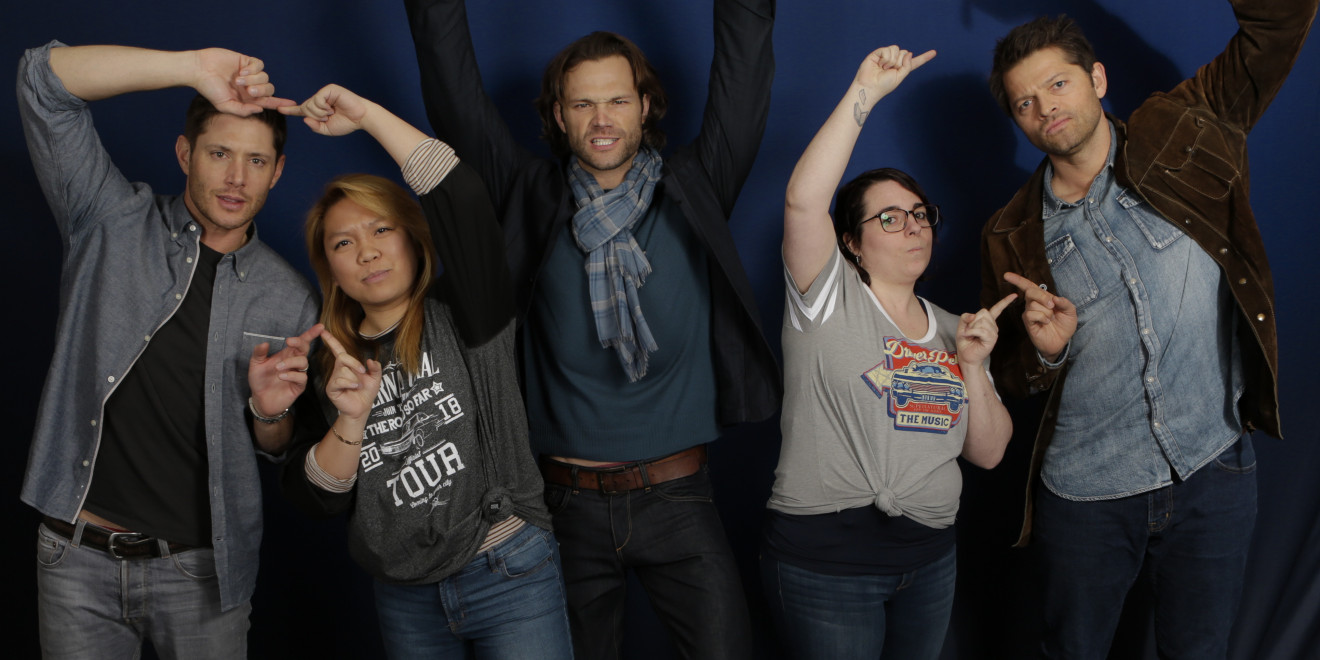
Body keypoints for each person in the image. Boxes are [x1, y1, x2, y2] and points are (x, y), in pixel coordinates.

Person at [404, 1, 781, 657]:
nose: (601, 119)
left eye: (617, 101)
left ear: (645, 107)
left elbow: (743, 81)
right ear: (558, 116)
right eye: (582, 104)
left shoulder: (695, 186)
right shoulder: (528, 194)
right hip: (562, 507)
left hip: (679, 498)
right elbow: (454, 99)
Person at [979, 1, 1318, 657]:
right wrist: (1046, 355)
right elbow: (1011, 375)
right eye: (1025, 102)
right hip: (1087, 496)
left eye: (1058, 83)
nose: (1046, 107)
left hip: (1212, 467)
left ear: (1097, 78)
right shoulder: (1008, 234)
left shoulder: (1187, 127)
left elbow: (1279, 23)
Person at [18, 41, 319, 657]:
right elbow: (41, 81)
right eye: (219, 153)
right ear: (185, 154)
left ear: (277, 171)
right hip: (77, 559)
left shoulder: (291, 299)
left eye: (256, 161)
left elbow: (280, 450)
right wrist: (189, 68)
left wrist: (271, 414)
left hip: (201, 573)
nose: (236, 179)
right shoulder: (109, 220)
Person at [277, 84, 572, 659]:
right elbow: (315, 500)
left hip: (508, 568)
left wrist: (366, 115)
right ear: (330, 268)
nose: (367, 252)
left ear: (414, 238)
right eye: (343, 242)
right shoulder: (327, 362)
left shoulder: (467, 306)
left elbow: (459, 194)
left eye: (382, 229)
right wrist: (350, 420)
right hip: (404, 595)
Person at [763, 46, 1014, 659]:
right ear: (850, 242)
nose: (914, 226)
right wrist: (866, 92)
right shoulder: (826, 298)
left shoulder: (957, 330)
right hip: (828, 566)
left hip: (929, 562)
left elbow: (988, 453)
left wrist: (973, 367)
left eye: (921, 214)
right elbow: (803, 201)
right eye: (891, 218)